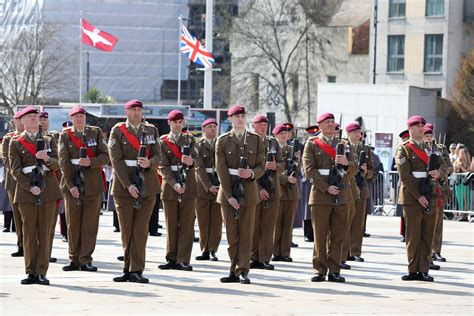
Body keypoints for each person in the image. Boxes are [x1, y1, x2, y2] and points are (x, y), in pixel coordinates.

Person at [109, 99, 161, 283]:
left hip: (147, 185)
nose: (137, 113)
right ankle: (126, 268)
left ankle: (136, 269)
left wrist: (150, 163)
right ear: (126, 112)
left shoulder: (151, 130)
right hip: (124, 187)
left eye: (139, 109)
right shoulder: (118, 131)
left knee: (140, 230)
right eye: (133, 110)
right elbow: (115, 159)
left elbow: (158, 154)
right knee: (126, 230)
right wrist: (128, 185)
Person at [9, 106, 62, 285]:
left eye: (35, 116)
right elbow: (15, 169)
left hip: (48, 189)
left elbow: (58, 164)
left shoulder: (49, 140)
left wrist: (47, 159)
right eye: (29, 117)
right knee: (29, 232)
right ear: (22, 121)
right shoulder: (15, 142)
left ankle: (41, 271)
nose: (33, 119)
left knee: (45, 232)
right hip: (26, 192)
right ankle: (30, 271)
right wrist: (29, 187)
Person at [303, 112, 357, 283]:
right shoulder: (312, 144)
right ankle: (319, 269)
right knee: (320, 235)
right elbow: (309, 169)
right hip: (321, 195)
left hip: (342, 193)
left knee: (338, 234)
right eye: (327, 122)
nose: (331, 124)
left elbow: (355, 167)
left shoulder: (344, 144)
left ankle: (334, 270)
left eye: (333, 122)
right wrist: (326, 187)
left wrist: (346, 164)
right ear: (319, 125)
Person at [216, 105, 265, 284]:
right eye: (236, 116)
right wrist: (229, 196)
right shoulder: (222, 141)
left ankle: (243, 270)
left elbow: (261, 164)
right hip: (228, 191)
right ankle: (233, 268)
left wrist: (252, 174)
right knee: (232, 235)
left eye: (242, 115)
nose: (240, 119)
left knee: (246, 233)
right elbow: (221, 170)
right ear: (229, 119)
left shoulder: (256, 140)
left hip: (249, 191)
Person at [396, 115, 448, 282]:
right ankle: (413, 269)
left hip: (430, 194)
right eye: (417, 126)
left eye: (422, 125)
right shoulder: (403, 149)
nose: (421, 128)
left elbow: (444, 164)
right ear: (410, 128)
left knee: (427, 234)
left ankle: (424, 269)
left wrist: (439, 173)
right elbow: (405, 175)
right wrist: (418, 196)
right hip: (412, 197)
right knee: (413, 235)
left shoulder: (431, 148)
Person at [59, 106, 110, 272]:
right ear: (71, 118)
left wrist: (91, 162)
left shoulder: (95, 132)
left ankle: (86, 259)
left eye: (81, 116)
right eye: (76, 116)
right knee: (73, 224)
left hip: (92, 184)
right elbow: (63, 162)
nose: (79, 119)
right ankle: (74, 258)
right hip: (72, 182)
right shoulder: (65, 135)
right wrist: (71, 185)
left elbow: (105, 156)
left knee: (90, 225)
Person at [158, 110, 197, 271]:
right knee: (171, 224)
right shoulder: (162, 141)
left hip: (188, 185)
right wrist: (174, 184)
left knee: (187, 225)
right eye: (175, 122)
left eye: (180, 122)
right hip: (170, 186)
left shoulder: (191, 139)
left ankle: (183, 259)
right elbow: (162, 166)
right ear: (169, 123)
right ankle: (171, 257)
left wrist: (191, 161)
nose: (178, 125)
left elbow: (198, 159)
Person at [249, 115, 284, 271]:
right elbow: (246, 168)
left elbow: (283, 165)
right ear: (253, 125)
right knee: (253, 226)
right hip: (254, 189)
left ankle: (264, 258)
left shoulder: (273, 142)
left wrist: (275, 165)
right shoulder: (248, 141)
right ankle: (252, 257)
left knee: (268, 227)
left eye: (265, 124)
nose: (263, 127)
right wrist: (258, 189)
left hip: (272, 189)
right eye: (259, 124)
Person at [423, 124, 453, 263]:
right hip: (424, 188)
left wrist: (441, 173)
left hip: (439, 188)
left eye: (430, 135)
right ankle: (425, 252)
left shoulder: (440, 149)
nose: (429, 138)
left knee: (437, 222)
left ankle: (436, 251)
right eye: (426, 135)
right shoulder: (419, 148)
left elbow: (449, 167)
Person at [345, 122, 373, 264]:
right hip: (348, 186)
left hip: (361, 187)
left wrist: (367, 172)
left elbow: (373, 170)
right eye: (355, 132)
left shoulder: (366, 149)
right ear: (348, 133)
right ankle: (344, 252)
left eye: (359, 132)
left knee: (358, 222)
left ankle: (355, 251)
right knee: (345, 220)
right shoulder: (343, 146)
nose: (358, 134)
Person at [194, 118, 222, 262]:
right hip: (202, 188)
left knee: (216, 221)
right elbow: (199, 167)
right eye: (209, 127)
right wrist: (208, 186)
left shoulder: (221, 143)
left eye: (214, 127)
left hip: (219, 185)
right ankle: (204, 249)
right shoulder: (198, 145)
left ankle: (213, 250)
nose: (212, 129)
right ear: (204, 129)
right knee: (203, 221)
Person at [273, 124, 301, 262]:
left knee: (288, 224)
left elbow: (299, 170)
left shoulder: (293, 149)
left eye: (286, 133)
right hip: (278, 189)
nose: (284, 135)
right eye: (281, 133)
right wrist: (285, 179)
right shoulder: (272, 150)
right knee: (276, 223)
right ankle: (275, 251)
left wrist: (298, 160)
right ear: (275, 135)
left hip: (291, 191)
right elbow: (272, 171)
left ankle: (285, 252)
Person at [2, 112, 25, 257]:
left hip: (34, 182)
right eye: (18, 119)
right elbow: (6, 160)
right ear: (13, 122)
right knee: (18, 215)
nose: (20, 122)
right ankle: (22, 245)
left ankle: (39, 247)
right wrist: (21, 175)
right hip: (14, 182)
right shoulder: (8, 138)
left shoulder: (36, 137)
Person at [453, 148, 472, 221]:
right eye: (460, 153)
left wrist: (461, 166)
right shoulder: (457, 161)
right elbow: (455, 171)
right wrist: (456, 167)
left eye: (462, 153)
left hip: (465, 182)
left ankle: (466, 214)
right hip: (458, 182)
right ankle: (462, 215)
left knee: (465, 199)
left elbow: (467, 171)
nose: (461, 155)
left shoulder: (467, 162)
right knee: (459, 199)